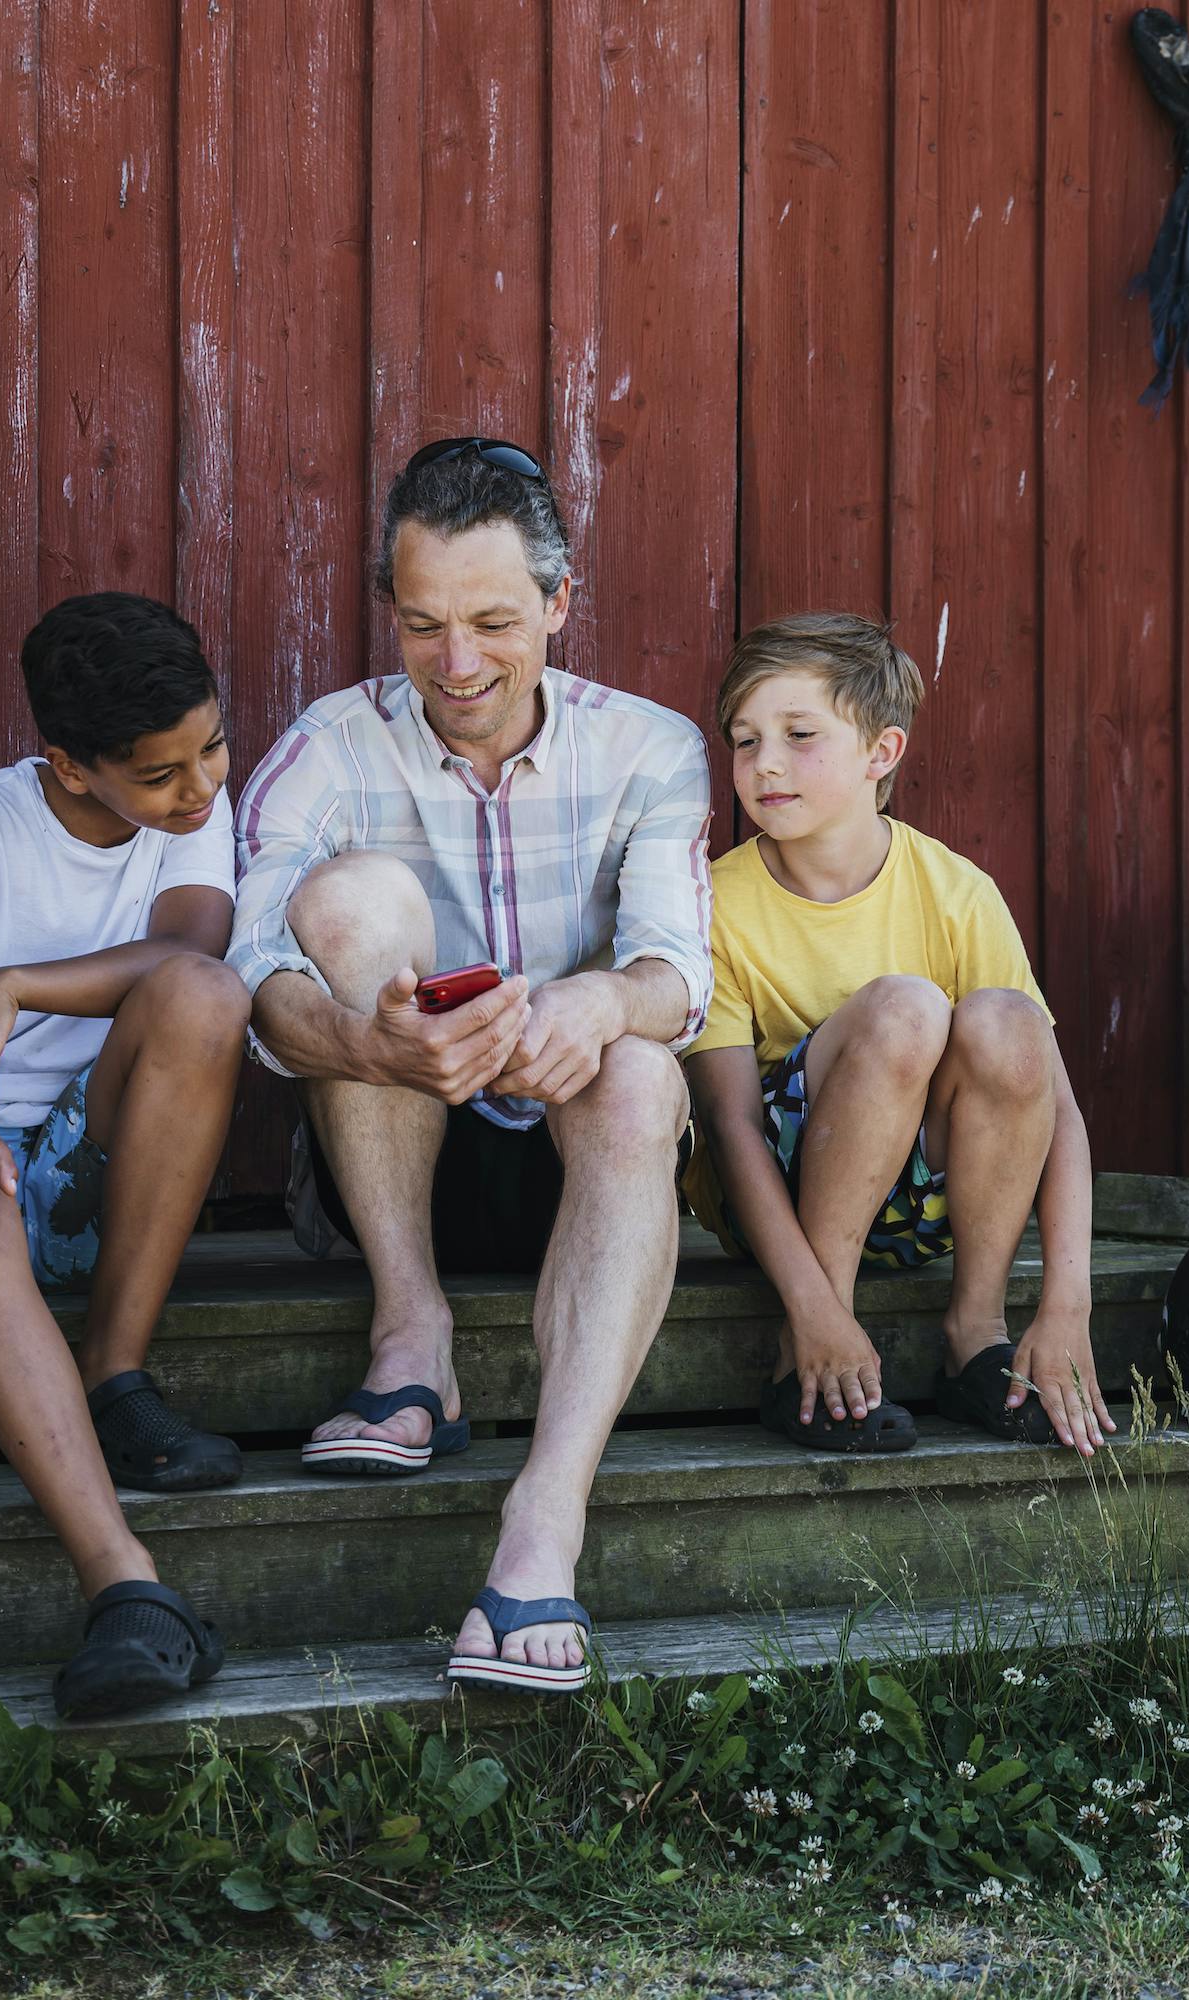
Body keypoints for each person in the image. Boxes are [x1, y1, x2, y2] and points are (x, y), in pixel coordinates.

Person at [228, 437, 713, 1694]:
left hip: (588, 1179)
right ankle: (412, 1334)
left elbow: (681, 972)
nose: (458, 663)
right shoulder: (330, 746)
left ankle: (545, 1518)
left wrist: (600, 1000)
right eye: (425, 622)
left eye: (496, 620)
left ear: (559, 603)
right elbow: (253, 982)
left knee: (646, 1068)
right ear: (391, 604)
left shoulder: (651, 749)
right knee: (350, 901)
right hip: (389, 1156)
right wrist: (374, 1038)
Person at [0, 591, 253, 1720]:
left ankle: (115, 1372)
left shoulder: (196, 810)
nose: (201, 784)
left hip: (84, 1160)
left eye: (212, 745)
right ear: (71, 768)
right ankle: (127, 1584)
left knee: (207, 996)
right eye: (163, 772)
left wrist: (15, 980)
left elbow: (186, 949)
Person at [681, 612, 1109, 1457]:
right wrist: (811, 1307)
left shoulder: (956, 891)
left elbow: (1053, 1107)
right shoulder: (710, 902)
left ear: (882, 753)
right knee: (908, 1009)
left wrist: (1066, 1303)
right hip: (775, 1195)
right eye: (744, 740)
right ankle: (811, 1354)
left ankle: (976, 1337)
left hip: (923, 1201)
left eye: (799, 735)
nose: (764, 763)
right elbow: (728, 1125)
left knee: (1009, 1022)